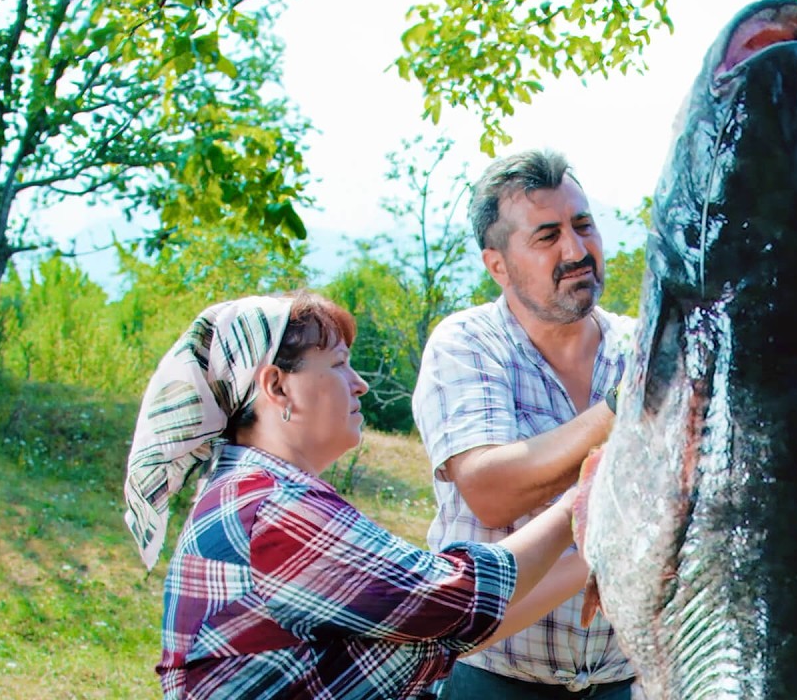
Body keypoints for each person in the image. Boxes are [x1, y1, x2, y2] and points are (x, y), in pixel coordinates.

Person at [122, 290, 590, 700]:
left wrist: (591, 558)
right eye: (339, 364)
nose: (359, 383)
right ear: (277, 386)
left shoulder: (246, 493)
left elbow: (445, 630)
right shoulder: (270, 509)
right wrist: (584, 499)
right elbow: (456, 596)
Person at [412, 149, 637, 698]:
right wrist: (621, 409)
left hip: (622, 677)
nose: (577, 250)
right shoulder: (467, 345)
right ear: (498, 265)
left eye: (584, 226)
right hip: (491, 676)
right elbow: (492, 490)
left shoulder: (642, 345)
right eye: (547, 236)